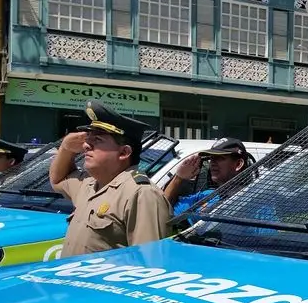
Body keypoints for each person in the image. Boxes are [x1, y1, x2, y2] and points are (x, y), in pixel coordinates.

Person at [50, 100, 172, 258]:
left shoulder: (141, 194)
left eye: (97, 140)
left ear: (124, 152)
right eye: (88, 139)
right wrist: (66, 148)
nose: (86, 145)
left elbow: (149, 262)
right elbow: (58, 180)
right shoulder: (90, 184)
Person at [164, 137, 253, 216]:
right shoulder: (206, 195)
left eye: (219, 158)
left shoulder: (254, 201)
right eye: (212, 158)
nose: (213, 163)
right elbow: (162, 210)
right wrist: (179, 178)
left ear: (238, 164)